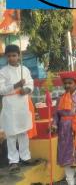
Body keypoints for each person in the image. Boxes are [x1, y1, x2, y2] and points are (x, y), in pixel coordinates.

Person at [0, 44, 37, 174]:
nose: (11, 58)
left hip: (22, 103)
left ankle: (25, 157)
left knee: (23, 132)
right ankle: (13, 161)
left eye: (14, 55)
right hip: (10, 104)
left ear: (19, 56)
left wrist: (25, 89)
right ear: (6, 57)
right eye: (9, 56)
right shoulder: (3, 72)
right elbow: (1, 90)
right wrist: (16, 85)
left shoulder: (25, 70)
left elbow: (31, 84)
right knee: (11, 134)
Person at [52, 71, 76, 185]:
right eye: (65, 83)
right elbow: (56, 115)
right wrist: (54, 125)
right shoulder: (60, 99)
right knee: (66, 159)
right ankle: (70, 182)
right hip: (64, 133)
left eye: (70, 83)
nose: (67, 85)